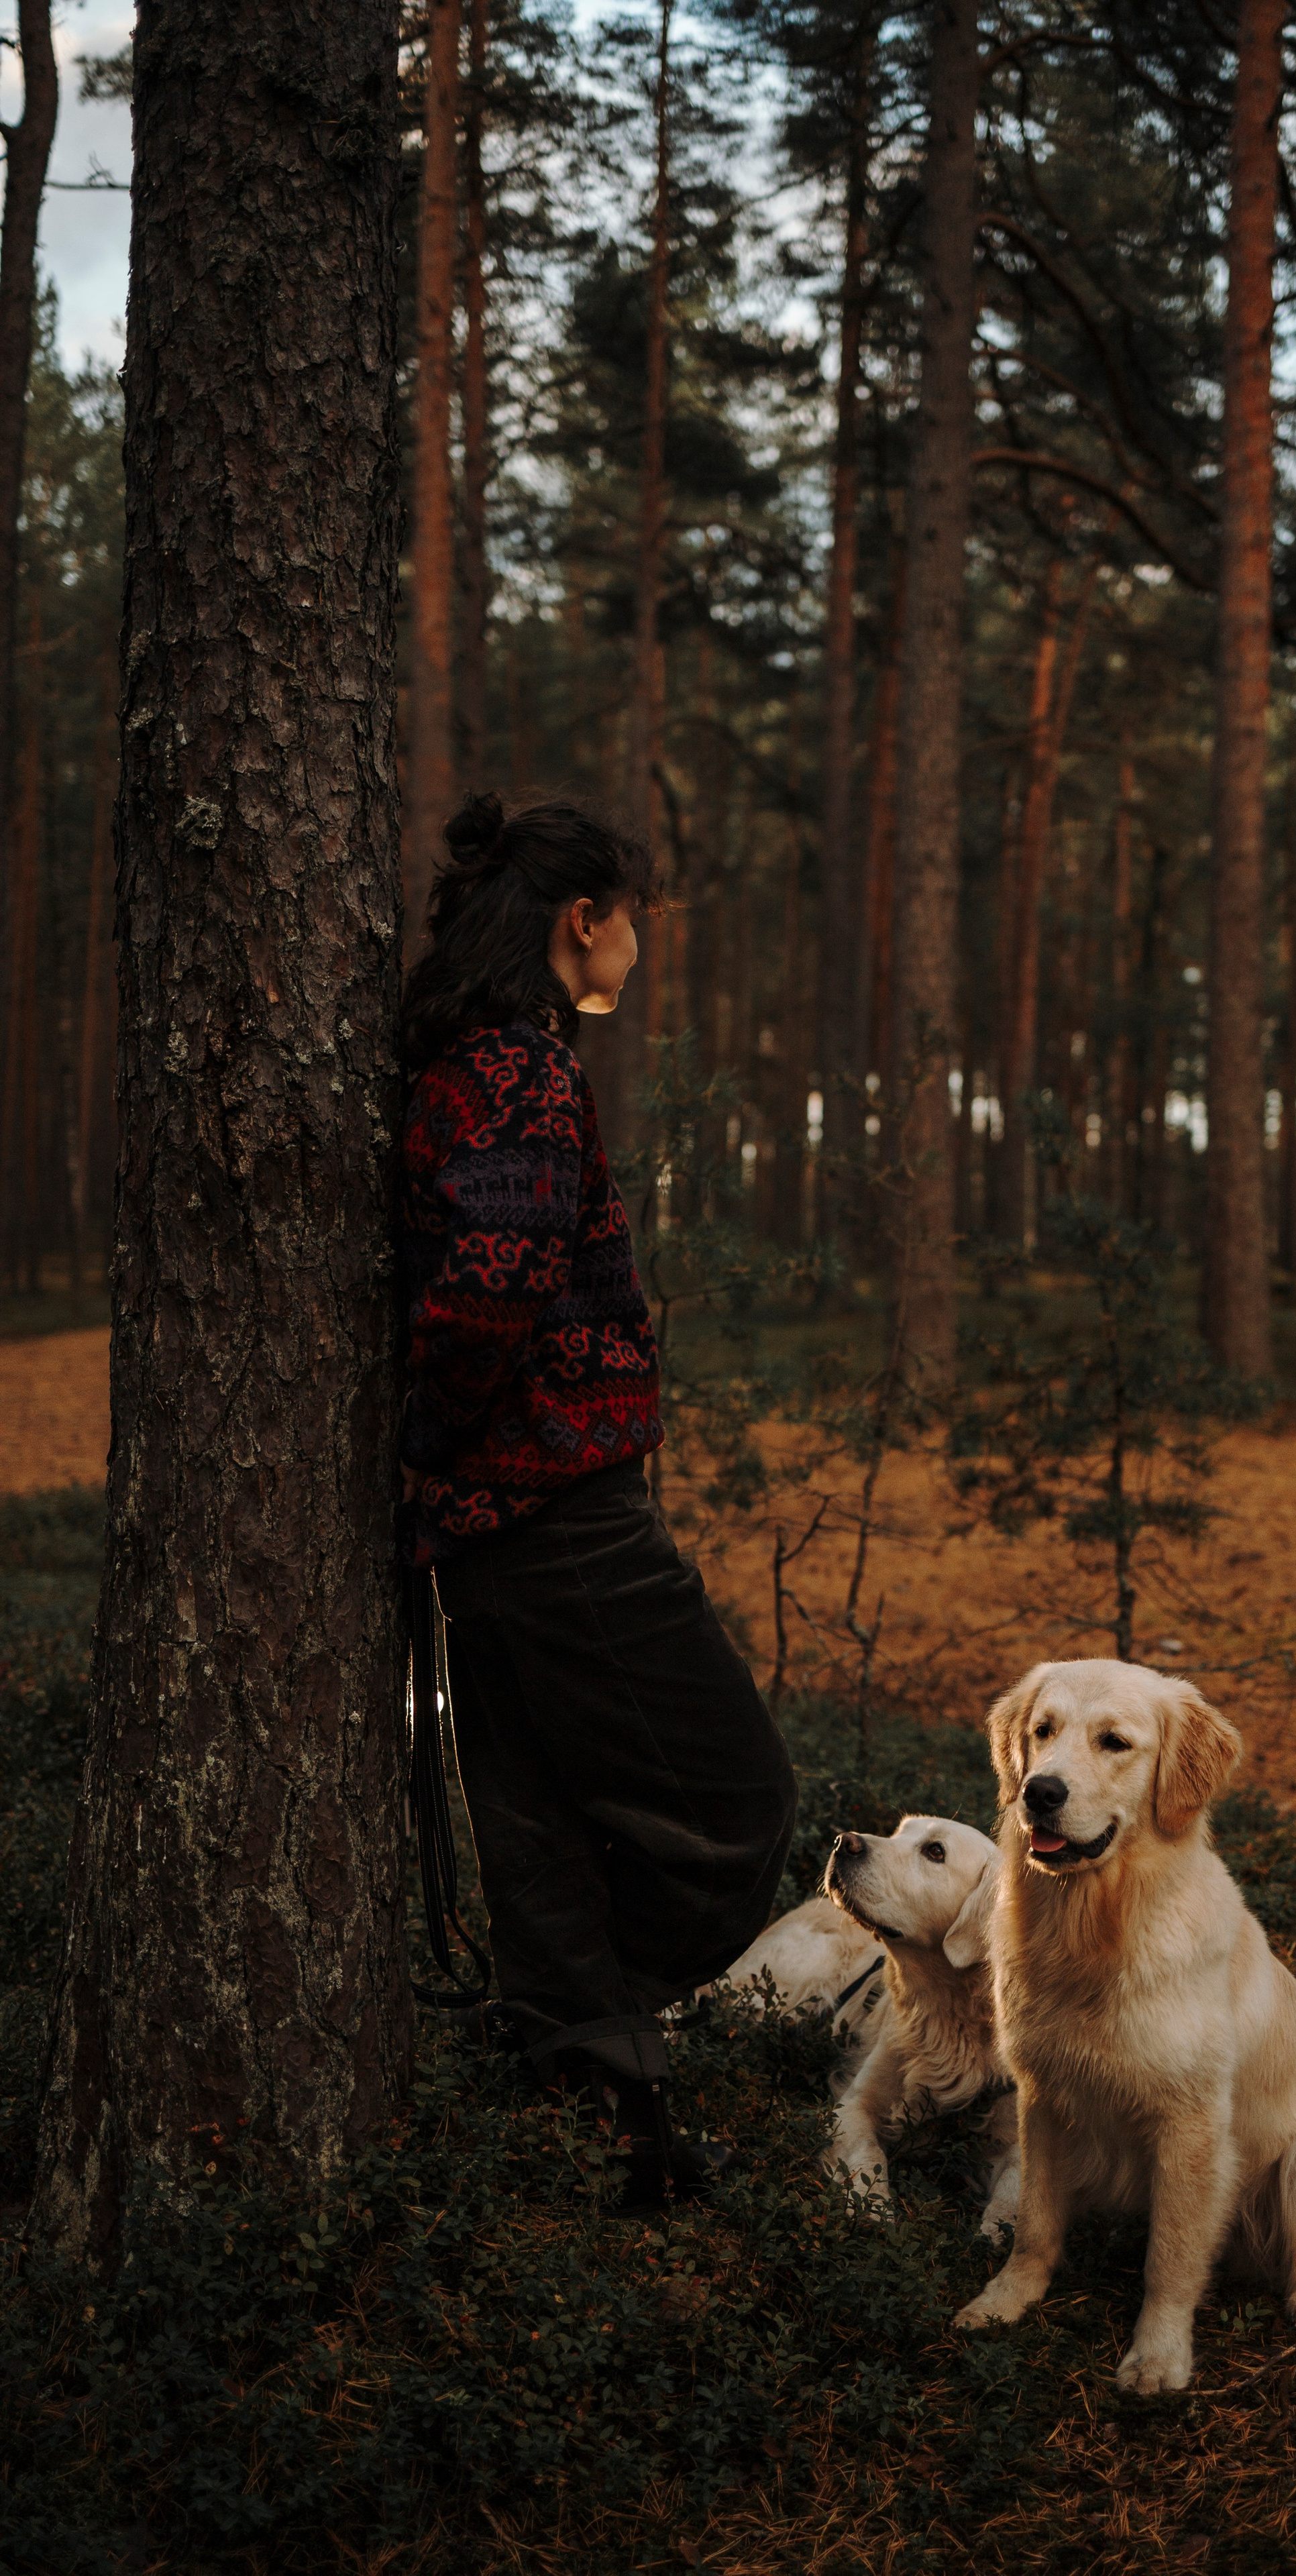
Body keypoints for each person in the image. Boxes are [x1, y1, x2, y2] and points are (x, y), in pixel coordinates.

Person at [398, 790, 798, 2203]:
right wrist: (432, 1443)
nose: (640, 942)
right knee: (741, 1803)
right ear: (583, 920)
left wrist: (433, 1468)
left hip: (494, 1522)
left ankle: (601, 2120)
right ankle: (591, 2032)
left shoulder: (473, 1059)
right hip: (557, 1512)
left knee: (540, 1825)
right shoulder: (519, 1068)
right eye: (637, 918)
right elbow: (488, 1290)